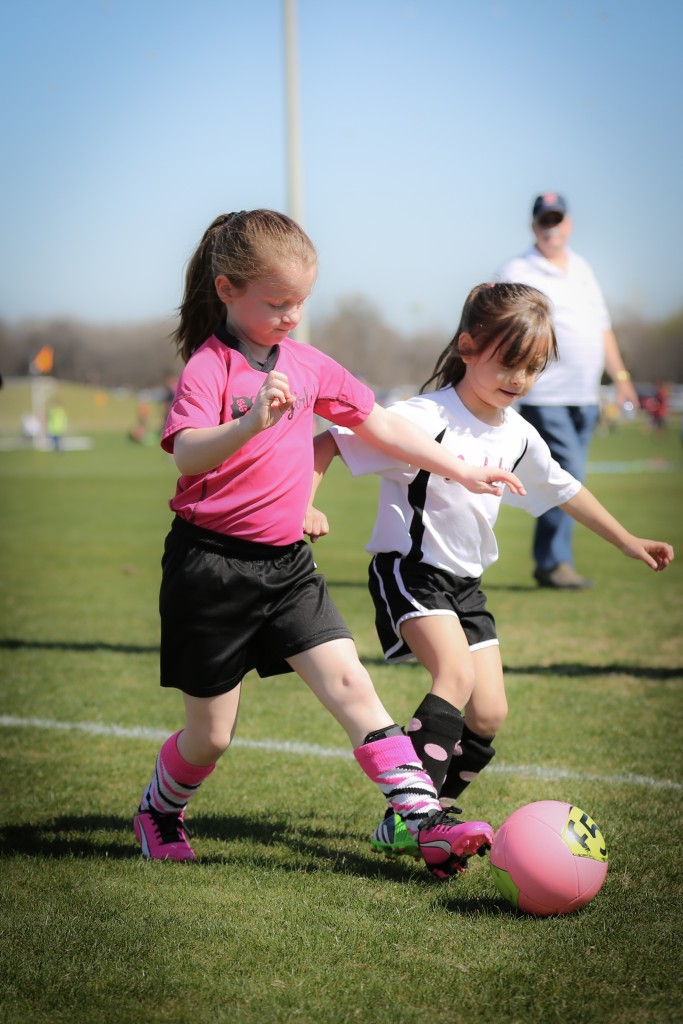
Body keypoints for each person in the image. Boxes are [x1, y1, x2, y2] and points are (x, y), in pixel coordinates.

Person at [134, 210, 531, 879]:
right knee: (211, 737)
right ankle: (159, 812)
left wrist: (459, 467)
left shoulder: (310, 365)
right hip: (210, 570)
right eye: (278, 303)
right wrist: (251, 421)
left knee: (352, 686)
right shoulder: (209, 366)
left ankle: (422, 822)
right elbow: (187, 456)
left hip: (288, 568)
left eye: (301, 303)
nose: (292, 316)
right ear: (228, 289)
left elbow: (377, 425)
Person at [308, 282, 673, 861]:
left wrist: (626, 540)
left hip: (465, 585)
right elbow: (326, 444)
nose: (518, 379)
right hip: (411, 570)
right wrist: (303, 505)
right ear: (469, 347)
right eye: (508, 362)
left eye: (532, 368)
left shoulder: (518, 432)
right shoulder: (424, 416)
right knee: (453, 674)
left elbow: (566, 490)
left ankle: (403, 816)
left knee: (490, 712)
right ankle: (421, 821)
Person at [493, 193, 640, 589]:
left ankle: (551, 561)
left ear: (569, 225)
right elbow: (504, 326)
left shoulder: (583, 269)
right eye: (544, 221)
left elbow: (602, 326)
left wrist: (621, 376)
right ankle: (554, 562)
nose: (551, 228)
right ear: (534, 227)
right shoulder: (517, 268)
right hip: (544, 394)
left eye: (557, 221)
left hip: (585, 396)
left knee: (567, 475)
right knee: (567, 474)